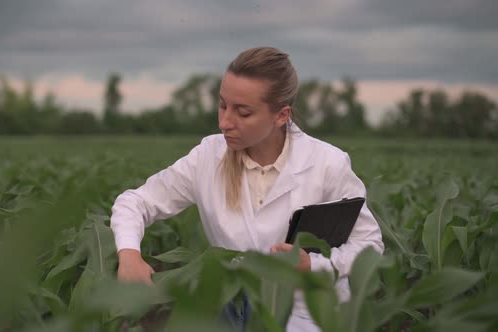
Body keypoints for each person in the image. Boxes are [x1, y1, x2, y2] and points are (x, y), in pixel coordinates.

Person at [111, 46, 384, 331]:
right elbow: (135, 202)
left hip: (306, 314)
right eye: (222, 105)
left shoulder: (328, 164)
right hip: (229, 310)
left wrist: (313, 266)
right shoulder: (207, 157)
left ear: (281, 115)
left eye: (242, 112)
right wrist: (128, 254)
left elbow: (370, 246)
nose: (224, 122)